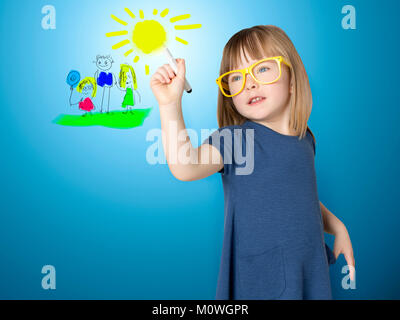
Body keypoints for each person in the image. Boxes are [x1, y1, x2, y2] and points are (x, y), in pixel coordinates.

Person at [149, 25, 355, 300]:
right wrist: (169, 105)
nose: (249, 83)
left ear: (292, 80)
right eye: (236, 77)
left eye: (262, 69)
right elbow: (185, 166)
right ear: (229, 94)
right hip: (262, 281)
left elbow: (297, 196)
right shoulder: (237, 140)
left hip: (307, 273)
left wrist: (337, 226)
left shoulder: (306, 140)